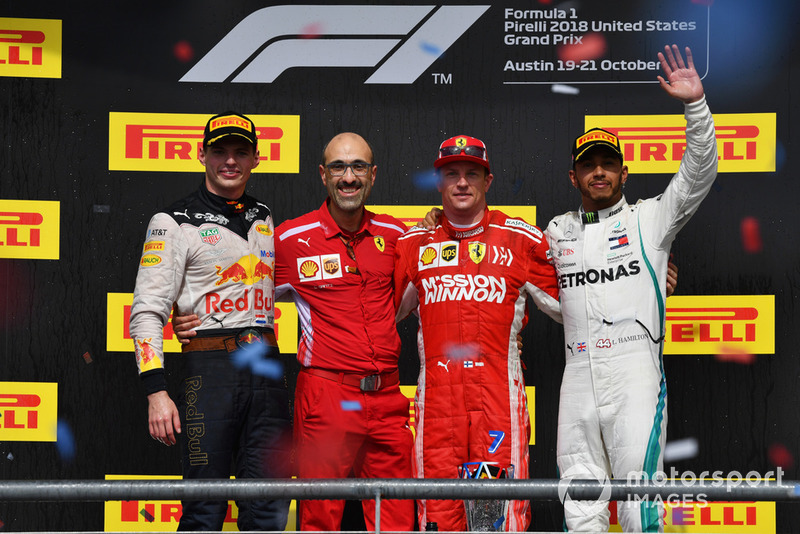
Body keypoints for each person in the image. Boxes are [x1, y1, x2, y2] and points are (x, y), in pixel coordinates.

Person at [173, 132, 415, 532]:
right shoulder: (288, 239)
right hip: (327, 395)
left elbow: (429, 277)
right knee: (319, 517)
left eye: (358, 167)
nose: (348, 177)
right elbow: (238, 285)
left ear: (373, 175)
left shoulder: (398, 235)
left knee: (397, 518)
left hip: (388, 396)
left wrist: (436, 220)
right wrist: (184, 312)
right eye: (338, 167)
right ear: (323, 175)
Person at [547, 45, 717, 532]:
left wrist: (695, 106)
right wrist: (437, 225)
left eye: (608, 163)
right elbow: (521, 279)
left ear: (625, 172)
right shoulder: (556, 231)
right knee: (580, 505)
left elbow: (699, 174)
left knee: (641, 502)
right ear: (573, 175)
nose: (598, 171)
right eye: (588, 163)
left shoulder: (649, 219)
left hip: (633, 371)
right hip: (576, 373)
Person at [129, 112, 290, 531]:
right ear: (201, 155)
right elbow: (147, 309)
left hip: (267, 372)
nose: (230, 161)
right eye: (219, 151)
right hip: (210, 373)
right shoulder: (172, 222)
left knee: (268, 509)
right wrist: (155, 391)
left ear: (257, 158)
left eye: (241, 152)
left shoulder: (263, 215)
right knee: (204, 508)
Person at [394, 134, 562, 531]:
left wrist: (646, 277)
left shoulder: (521, 239)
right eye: (452, 174)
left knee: (498, 519)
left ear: (488, 181)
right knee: (438, 517)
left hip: (495, 411)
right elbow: (375, 308)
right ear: (439, 183)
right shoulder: (414, 244)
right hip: (437, 412)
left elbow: (574, 300)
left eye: (473, 173)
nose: (462, 182)